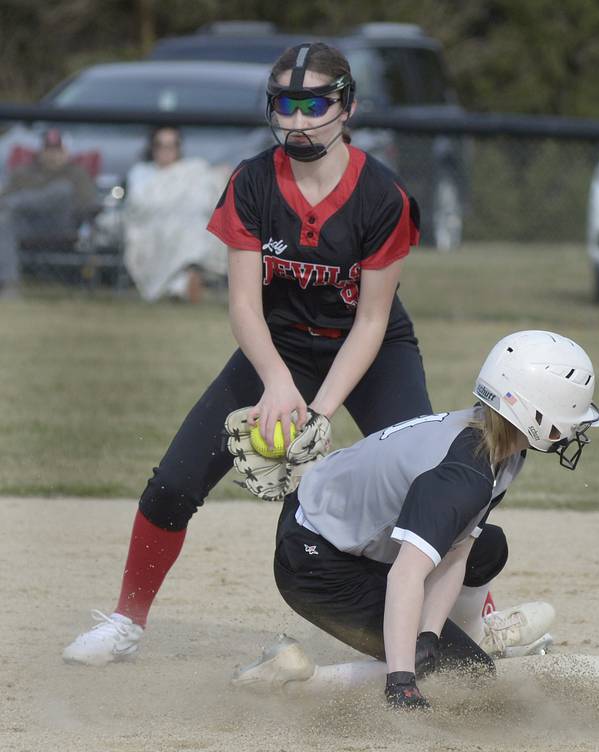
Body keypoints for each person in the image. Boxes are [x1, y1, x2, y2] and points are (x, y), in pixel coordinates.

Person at [62, 42, 435, 666]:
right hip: (277, 344)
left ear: (348, 107)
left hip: (369, 350)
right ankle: (127, 620)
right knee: (173, 485)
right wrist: (278, 384)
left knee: (427, 482)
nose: (298, 119)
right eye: (286, 105)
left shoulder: (382, 195)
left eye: (314, 103)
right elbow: (243, 307)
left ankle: (482, 615)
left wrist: (320, 410)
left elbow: (372, 321)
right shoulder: (254, 181)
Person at [230, 330, 599, 710]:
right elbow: (406, 574)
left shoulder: (497, 446)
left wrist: (429, 635)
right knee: (465, 673)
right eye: (570, 417)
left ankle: (468, 637)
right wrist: (402, 680)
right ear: (536, 414)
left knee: (487, 549)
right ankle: (293, 679)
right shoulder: (463, 477)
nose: (575, 429)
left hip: (329, 529)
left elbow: (458, 551)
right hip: (314, 564)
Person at [122, 125, 229, 303]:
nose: (166, 151)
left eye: (171, 145)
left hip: (189, 224)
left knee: (194, 228)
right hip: (149, 227)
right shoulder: (141, 173)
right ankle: (180, 284)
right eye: (161, 145)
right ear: (153, 147)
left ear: (178, 148)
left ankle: (182, 282)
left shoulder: (192, 170)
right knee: (175, 230)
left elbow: (205, 197)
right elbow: (139, 205)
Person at [0, 128, 98, 298]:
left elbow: (88, 205)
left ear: (66, 152)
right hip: (28, 227)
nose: (53, 155)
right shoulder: (23, 172)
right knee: (4, 222)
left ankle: (17, 203)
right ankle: (10, 285)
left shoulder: (77, 174)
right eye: (48, 149)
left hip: (64, 226)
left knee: (62, 190)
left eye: (57, 150)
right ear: (40, 151)